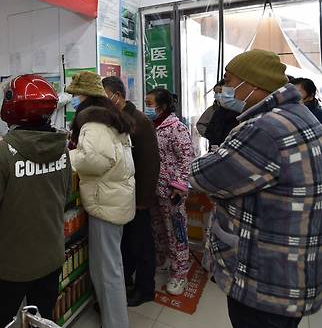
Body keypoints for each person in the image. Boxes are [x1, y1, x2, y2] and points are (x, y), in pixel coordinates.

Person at [190, 50, 322, 328]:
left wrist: (205, 161)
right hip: (287, 266)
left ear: (252, 84)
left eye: (229, 80)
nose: (225, 87)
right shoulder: (298, 115)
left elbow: (205, 176)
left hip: (264, 277)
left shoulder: (265, 128)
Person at [0, 75, 70, 328]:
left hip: (13, 263)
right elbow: (65, 193)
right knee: (40, 322)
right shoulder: (62, 147)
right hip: (52, 256)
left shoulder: (1, 152)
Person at [69, 76, 135, 328]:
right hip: (115, 199)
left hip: (106, 203)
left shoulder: (93, 123)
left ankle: (116, 323)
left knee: (107, 270)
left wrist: (67, 157)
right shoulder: (110, 118)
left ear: (85, 97)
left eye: (77, 96)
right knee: (109, 265)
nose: (76, 101)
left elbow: (94, 161)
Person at [102, 76, 160, 307]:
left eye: (104, 96)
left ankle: (146, 289)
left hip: (138, 197)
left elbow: (150, 163)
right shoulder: (115, 119)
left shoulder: (140, 121)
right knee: (126, 243)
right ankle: (126, 281)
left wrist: (144, 199)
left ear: (117, 95)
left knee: (142, 244)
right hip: (122, 195)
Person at [145, 88, 194, 296]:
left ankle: (180, 273)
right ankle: (164, 260)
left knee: (176, 233)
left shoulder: (177, 128)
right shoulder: (151, 126)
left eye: (150, 103)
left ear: (162, 105)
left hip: (172, 191)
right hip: (154, 189)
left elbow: (188, 158)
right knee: (158, 229)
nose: (147, 107)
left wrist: (180, 185)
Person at [67, 71, 109, 150]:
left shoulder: (96, 122)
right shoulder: (100, 116)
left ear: (89, 96)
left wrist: (69, 156)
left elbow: (90, 157)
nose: (73, 98)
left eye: (76, 94)